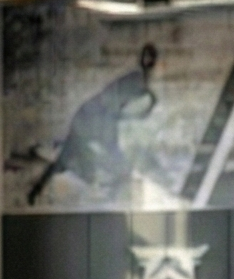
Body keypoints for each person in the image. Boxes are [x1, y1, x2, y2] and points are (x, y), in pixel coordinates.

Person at [27, 43, 159, 205]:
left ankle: (38, 186)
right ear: (142, 59)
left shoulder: (140, 82)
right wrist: (138, 110)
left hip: (97, 117)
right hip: (93, 116)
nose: (148, 61)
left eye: (150, 58)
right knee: (71, 157)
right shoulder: (135, 80)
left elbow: (123, 109)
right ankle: (39, 185)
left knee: (74, 158)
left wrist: (138, 111)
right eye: (146, 57)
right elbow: (114, 102)